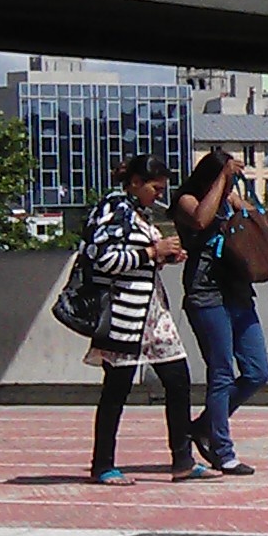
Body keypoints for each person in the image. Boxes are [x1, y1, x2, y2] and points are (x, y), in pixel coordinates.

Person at [80, 155, 204, 484]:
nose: (158, 195)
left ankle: (183, 460)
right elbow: (101, 257)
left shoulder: (139, 212)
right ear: (135, 182)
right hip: (125, 313)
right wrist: (151, 252)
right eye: (155, 188)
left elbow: (135, 260)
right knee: (117, 389)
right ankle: (103, 464)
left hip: (152, 313)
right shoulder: (114, 208)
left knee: (178, 380)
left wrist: (163, 257)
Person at [173, 148, 268, 475]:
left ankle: (202, 426)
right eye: (223, 175)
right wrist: (222, 181)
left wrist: (243, 203)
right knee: (221, 372)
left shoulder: (229, 201)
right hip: (206, 294)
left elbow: (257, 226)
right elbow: (200, 219)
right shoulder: (186, 199)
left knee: (257, 371)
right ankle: (222, 450)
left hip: (238, 292)